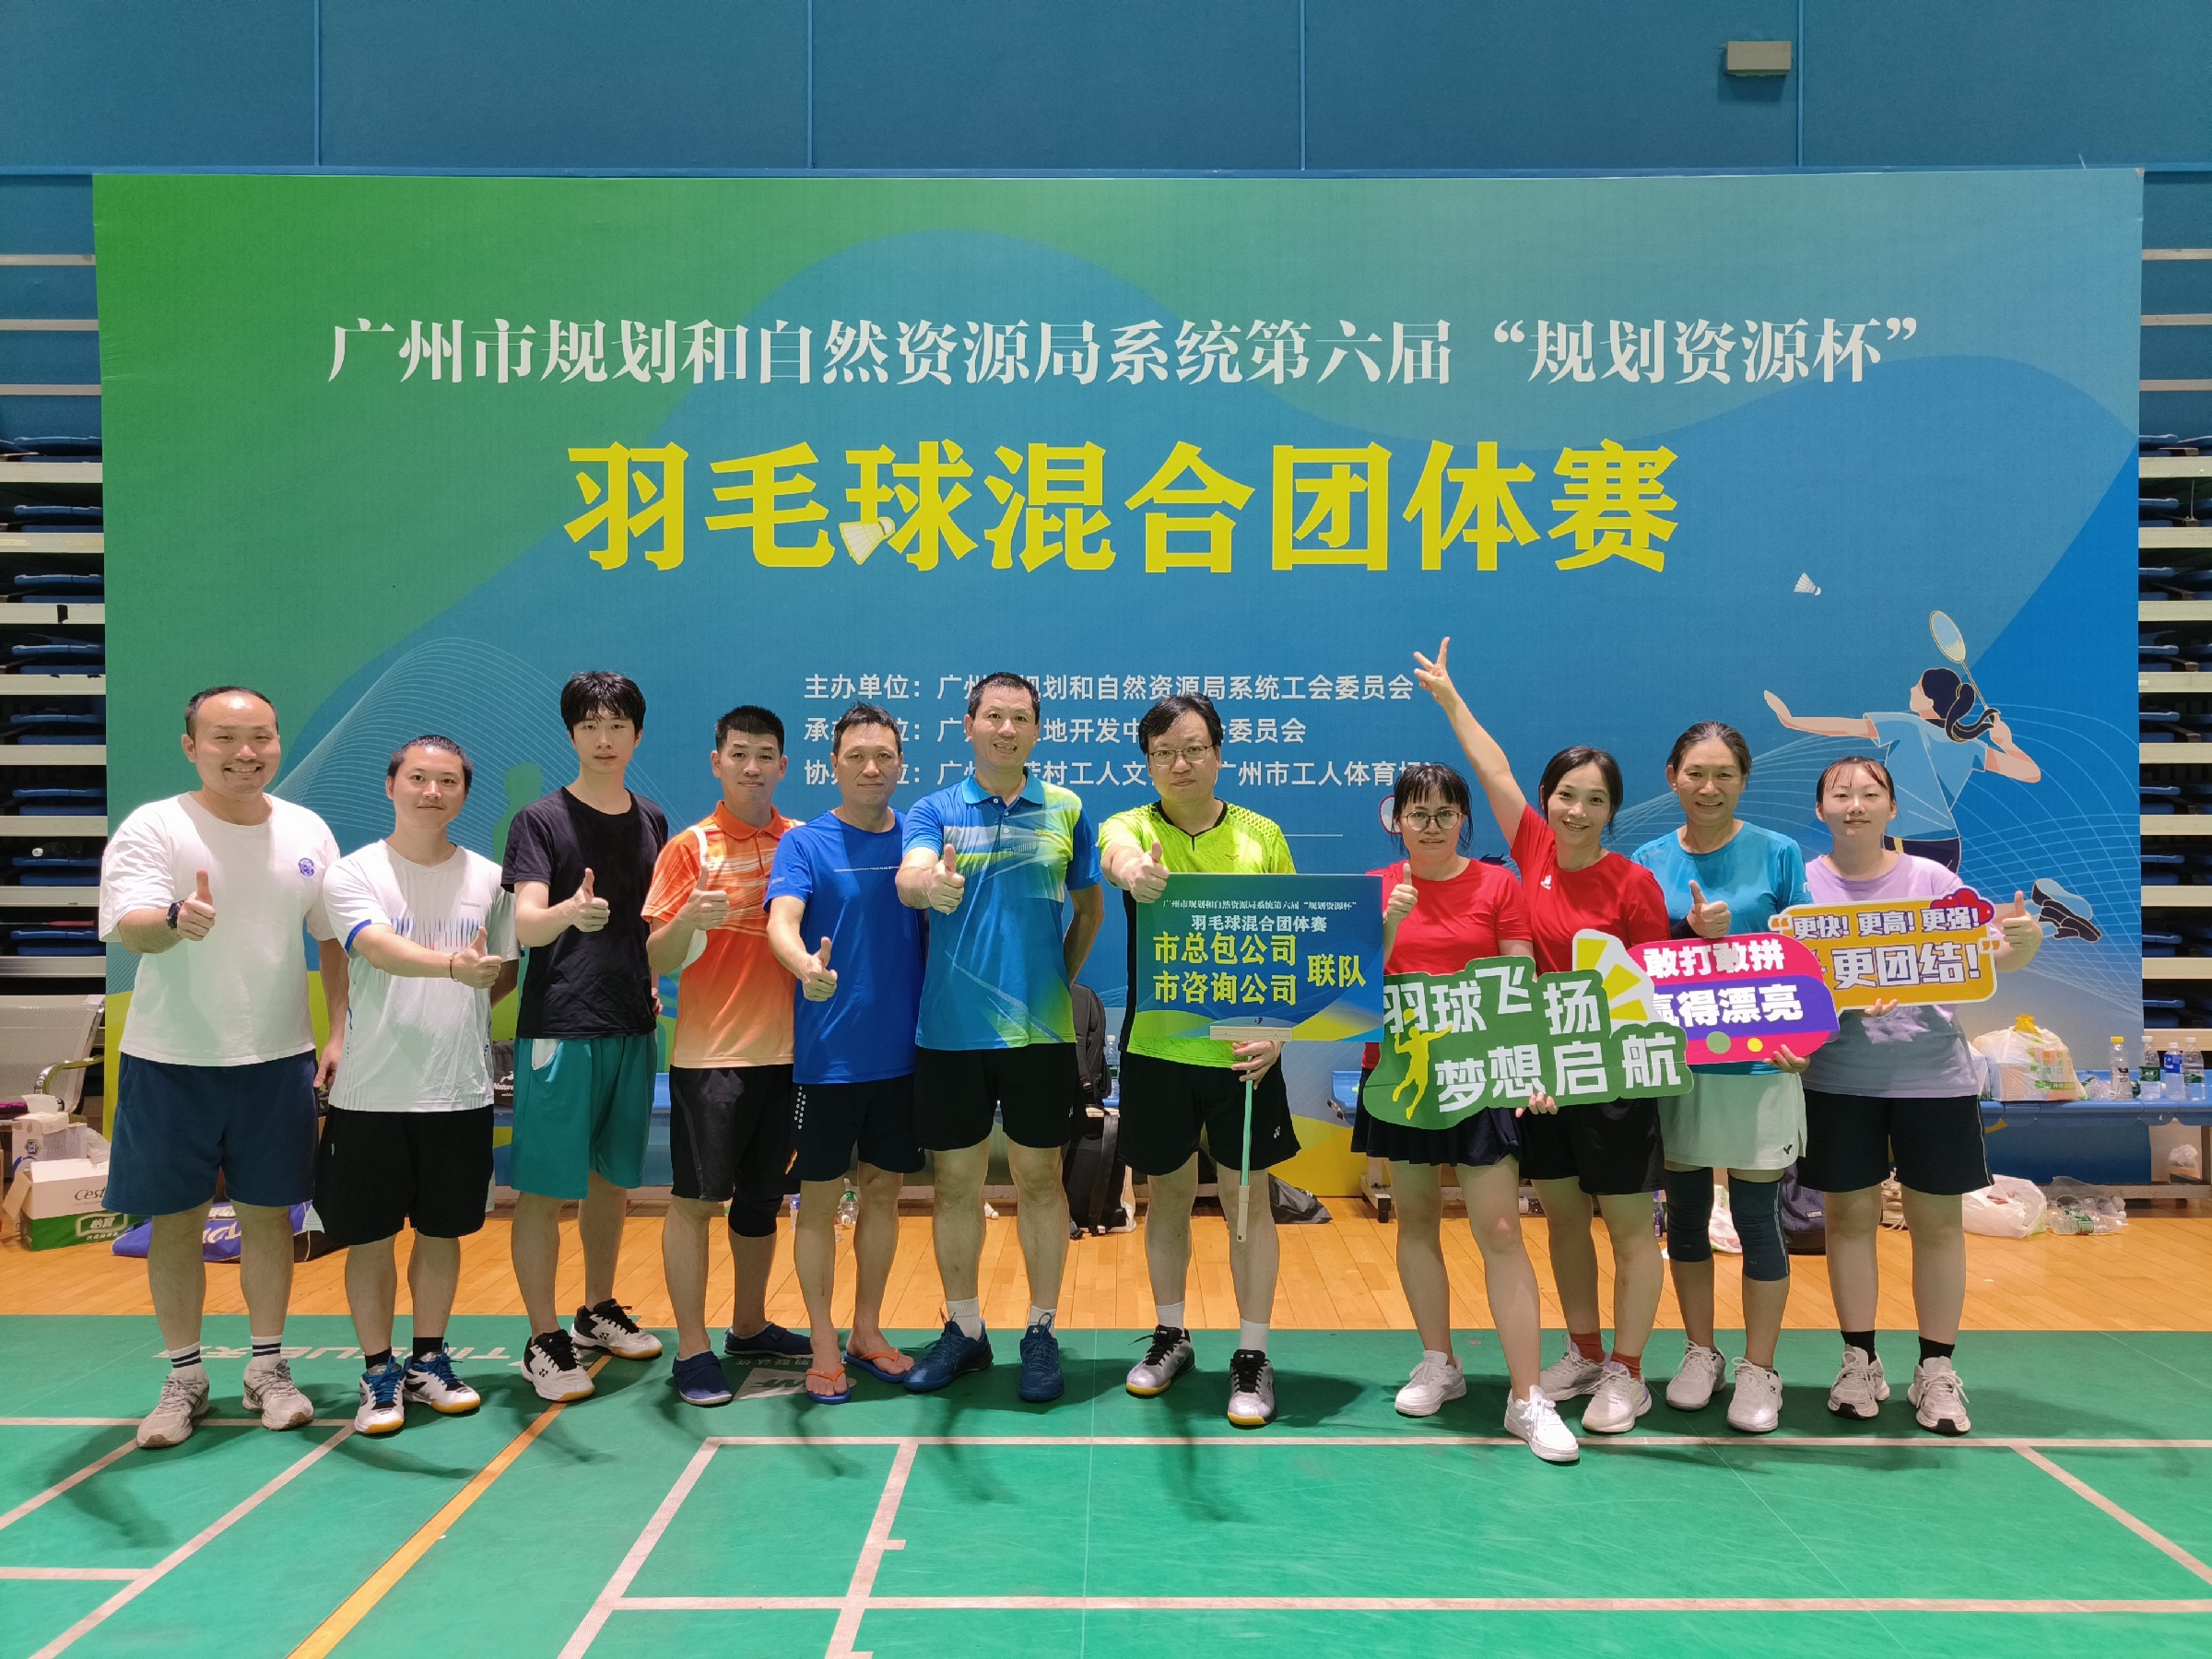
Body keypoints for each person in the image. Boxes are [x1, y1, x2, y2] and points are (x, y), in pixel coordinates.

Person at [1412, 640, 1671, 1438]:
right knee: (1560, 1219)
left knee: (1628, 1227)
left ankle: (1629, 1372)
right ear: (1547, 800)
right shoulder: (1533, 850)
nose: (1576, 811)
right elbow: (1490, 769)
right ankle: (1585, 1352)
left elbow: (1651, 996)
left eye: (1594, 800)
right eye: (1565, 795)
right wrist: (1451, 699)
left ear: (1612, 810)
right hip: (1540, 1076)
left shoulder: (1635, 884)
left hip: (1614, 1075)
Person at [98, 687, 346, 1449]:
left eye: (261, 737)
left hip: (276, 1060)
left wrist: (340, 1032)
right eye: (225, 738)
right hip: (170, 1061)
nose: (246, 752)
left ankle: (267, 1368)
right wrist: (177, 919)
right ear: (191, 747)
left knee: (271, 1218)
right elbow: (131, 927)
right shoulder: (156, 826)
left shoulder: (307, 830)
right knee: (175, 1222)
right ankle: (185, 1378)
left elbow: (331, 938)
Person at [1799, 756, 2041, 1435]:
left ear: (1892, 808)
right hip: (1837, 1076)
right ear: (1820, 809)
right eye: (1840, 794)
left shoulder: (1932, 881)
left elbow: (1989, 954)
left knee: (1937, 1226)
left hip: (1933, 1077)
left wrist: (2022, 941)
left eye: (1870, 793)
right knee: (1848, 1222)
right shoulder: (1803, 885)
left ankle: (1936, 1369)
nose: (1855, 804)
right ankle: (1859, 1360)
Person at [1351, 759, 1579, 1464]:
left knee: (1501, 1228)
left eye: (1444, 813)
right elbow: (1353, 991)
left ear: (1463, 820)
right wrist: (1386, 926)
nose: (1431, 826)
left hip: (1483, 1074)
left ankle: (1526, 1397)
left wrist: (1531, 1064)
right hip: (1404, 1074)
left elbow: (1520, 981)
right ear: (1396, 821)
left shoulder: (1497, 885)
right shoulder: (1376, 888)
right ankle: (1439, 1362)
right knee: (1416, 1219)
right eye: (1417, 814)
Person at [895, 671, 1104, 1403]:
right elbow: (910, 876)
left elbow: (1089, 910)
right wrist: (929, 886)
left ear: (1037, 730)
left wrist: (1053, 980)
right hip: (950, 1033)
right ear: (968, 725)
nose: (1006, 729)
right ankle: (964, 1329)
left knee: (1040, 1181)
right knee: (955, 1185)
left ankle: (1041, 1331)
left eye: (1020, 718)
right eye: (993, 716)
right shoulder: (934, 810)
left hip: (1040, 1036)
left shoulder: (1067, 809)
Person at [1099, 694, 1297, 1429]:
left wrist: (1280, 1034)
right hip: (1156, 1048)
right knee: (1168, 1198)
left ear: (1218, 753)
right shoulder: (1130, 825)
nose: (1178, 764)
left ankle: (1253, 1354)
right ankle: (1171, 1334)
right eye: (1162, 753)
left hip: (1245, 1047)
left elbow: (1292, 941)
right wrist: (1136, 875)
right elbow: (1118, 859)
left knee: (1248, 1203)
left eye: (1192, 749)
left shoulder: (1261, 836)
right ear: (1148, 764)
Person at [315, 736, 517, 1435]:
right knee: (370, 1239)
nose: (432, 792)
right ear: (391, 785)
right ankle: (379, 1372)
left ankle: (429, 1360)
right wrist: (451, 971)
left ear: (464, 792)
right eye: (419, 778)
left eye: (448, 781)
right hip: (371, 1093)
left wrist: (460, 1004)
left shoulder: (491, 879)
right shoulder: (353, 872)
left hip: (459, 1092)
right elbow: (373, 946)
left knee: (441, 1233)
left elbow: (504, 969)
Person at [1631, 720, 1813, 1435]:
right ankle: (1700, 1351)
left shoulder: (1779, 853)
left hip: (1761, 1066)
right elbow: (1639, 962)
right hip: (1679, 1067)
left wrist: (1803, 1040)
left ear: (1743, 779)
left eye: (1724, 775)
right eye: (1695, 773)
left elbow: (1807, 960)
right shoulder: (1648, 860)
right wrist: (1688, 934)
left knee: (1757, 1219)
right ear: (1672, 776)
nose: (1709, 788)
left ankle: (1760, 1368)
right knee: (1684, 1217)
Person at [501, 672, 669, 1402]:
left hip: (632, 1024)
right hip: (561, 1028)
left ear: (637, 735)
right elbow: (527, 924)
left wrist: (654, 973)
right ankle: (542, 1338)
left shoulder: (653, 819)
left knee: (612, 1182)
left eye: (617, 725)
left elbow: (655, 923)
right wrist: (570, 911)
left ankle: (597, 1309)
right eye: (590, 726)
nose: (604, 739)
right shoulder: (540, 821)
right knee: (544, 1189)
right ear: (572, 735)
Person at [642, 705, 806, 1406]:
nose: (752, 767)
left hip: (790, 1059)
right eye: (739, 754)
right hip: (711, 1059)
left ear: (783, 766)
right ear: (717, 762)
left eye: (765, 755)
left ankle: (748, 1325)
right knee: (694, 1202)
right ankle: (692, 1347)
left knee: (762, 1202)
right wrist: (688, 918)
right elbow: (655, 957)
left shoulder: (801, 841)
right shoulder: (690, 848)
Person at [765, 703, 927, 1404]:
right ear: (833, 764)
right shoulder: (804, 844)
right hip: (827, 1061)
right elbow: (782, 920)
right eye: (857, 755)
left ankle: (866, 1330)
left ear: (901, 765)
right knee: (820, 1202)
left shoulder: (920, 839)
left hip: (904, 1058)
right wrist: (804, 965)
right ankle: (824, 1341)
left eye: (884, 756)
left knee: (884, 1194)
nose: (871, 768)